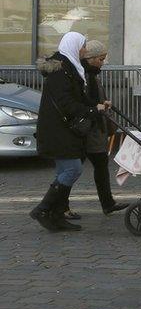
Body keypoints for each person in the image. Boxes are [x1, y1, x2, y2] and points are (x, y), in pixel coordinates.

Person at [29, 32, 107, 232]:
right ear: (73, 46)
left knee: (66, 170)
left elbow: (78, 97)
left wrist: (96, 105)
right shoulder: (61, 71)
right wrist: (91, 110)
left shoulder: (70, 68)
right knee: (72, 169)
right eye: (82, 47)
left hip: (64, 129)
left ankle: (56, 215)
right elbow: (67, 103)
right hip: (58, 129)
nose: (84, 50)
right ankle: (43, 209)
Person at [78, 41, 127, 216]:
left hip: (94, 128)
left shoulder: (92, 75)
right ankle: (59, 205)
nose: (102, 63)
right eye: (100, 59)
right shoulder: (84, 76)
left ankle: (107, 203)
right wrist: (98, 106)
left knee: (98, 165)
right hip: (89, 129)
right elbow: (84, 101)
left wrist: (103, 104)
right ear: (90, 58)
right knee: (74, 169)